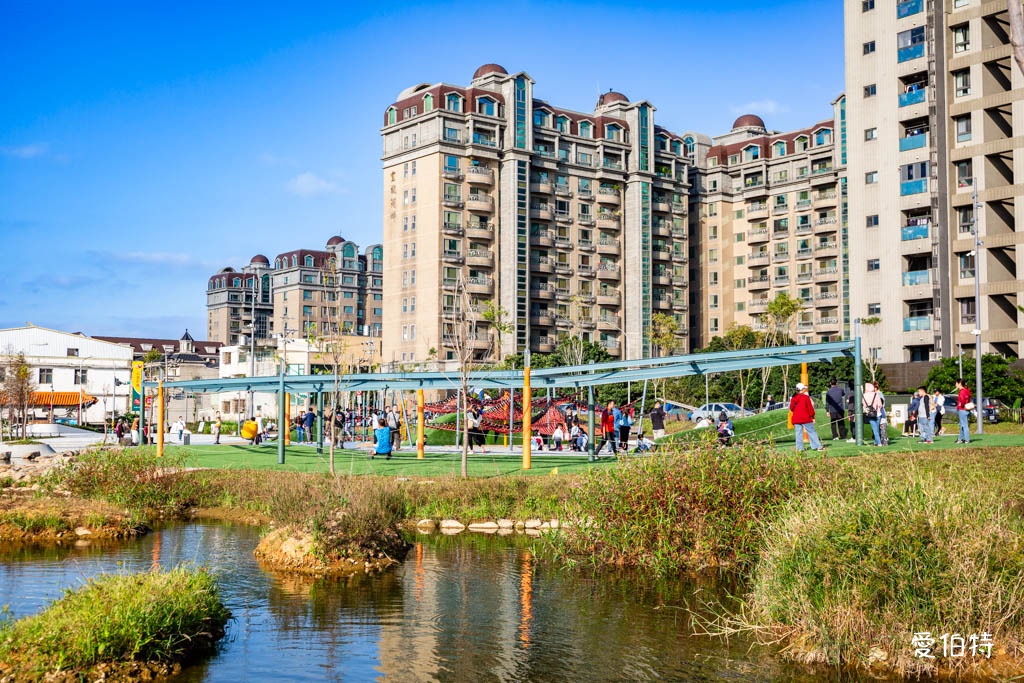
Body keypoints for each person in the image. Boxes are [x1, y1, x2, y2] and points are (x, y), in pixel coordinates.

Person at [789, 382, 823, 452]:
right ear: (802, 389)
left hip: (796, 419)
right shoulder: (806, 397)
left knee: (798, 434)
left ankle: (799, 449)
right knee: (812, 432)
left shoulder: (793, 398)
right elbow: (810, 408)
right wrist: (812, 416)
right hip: (806, 418)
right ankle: (817, 446)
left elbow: (791, 408)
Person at [955, 377, 972, 444]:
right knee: (962, 424)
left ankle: (967, 439)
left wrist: (961, 406)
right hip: (967, 409)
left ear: (959, 383)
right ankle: (960, 439)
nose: (955, 385)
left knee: (964, 425)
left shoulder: (962, 391)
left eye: (956, 383)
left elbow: (962, 401)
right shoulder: (967, 390)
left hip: (962, 409)